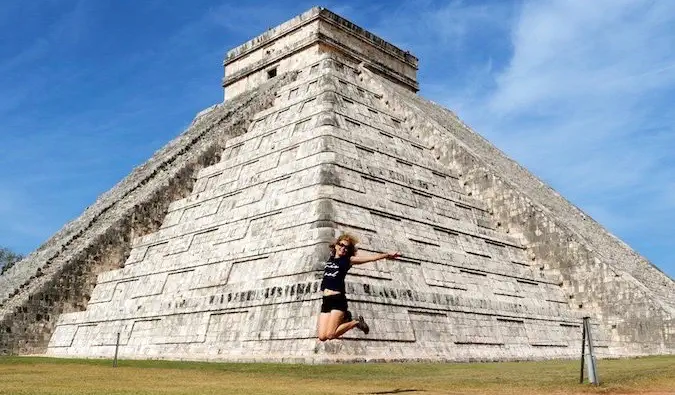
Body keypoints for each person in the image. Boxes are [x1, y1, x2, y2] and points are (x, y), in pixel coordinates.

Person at [316, 233, 401, 341]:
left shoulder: (347, 261)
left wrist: (386, 255)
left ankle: (355, 322)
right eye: (341, 245)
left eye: (346, 247)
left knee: (330, 335)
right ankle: (350, 320)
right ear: (336, 246)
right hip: (326, 300)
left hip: (337, 300)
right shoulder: (330, 259)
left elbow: (370, 258)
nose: (343, 248)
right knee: (322, 337)